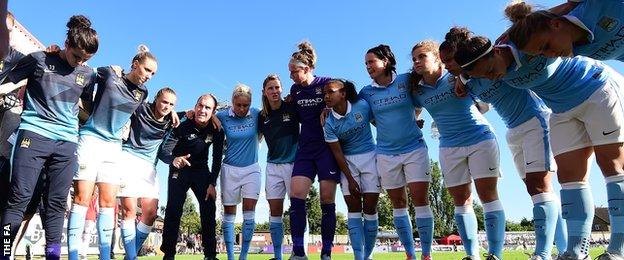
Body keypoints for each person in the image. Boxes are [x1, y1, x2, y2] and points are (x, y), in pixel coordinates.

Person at [454, 28, 624, 260]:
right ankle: (575, 251)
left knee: (613, 167)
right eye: (485, 76)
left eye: (491, 70)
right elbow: (469, 76)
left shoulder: (524, 42)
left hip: (595, 88)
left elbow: (550, 24)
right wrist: (461, 79)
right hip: (561, 109)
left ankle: (618, 249)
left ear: (495, 52)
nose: (493, 77)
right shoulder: (484, 75)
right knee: (569, 179)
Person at [443, 27, 567, 260]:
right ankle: (563, 250)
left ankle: (542, 254)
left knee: (539, 186)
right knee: (537, 189)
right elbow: (479, 102)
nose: (447, 65)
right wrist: (460, 78)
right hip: (512, 130)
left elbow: (511, 45)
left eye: (450, 60)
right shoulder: (471, 80)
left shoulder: (496, 62)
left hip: (535, 120)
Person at [0, 15, 98, 260]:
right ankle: (3, 253)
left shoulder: (86, 75)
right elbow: (6, 83)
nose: (80, 63)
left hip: (66, 144)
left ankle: (53, 256)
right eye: (77, 56)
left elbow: (86, 109)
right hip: (33, 136)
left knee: (56, 205)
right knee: (18, 198)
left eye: (86, 59)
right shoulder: (38, 60)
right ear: (66, 44)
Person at [410, 40, 504, 260]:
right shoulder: (417, 90)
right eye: (414, 58)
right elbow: (414, 112)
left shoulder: (457, 74)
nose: (416, 62)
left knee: (488, 195)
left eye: (422, 56)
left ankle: (495, 254)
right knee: (461, 201)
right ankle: (472, 256)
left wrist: (463, 79)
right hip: (449, 146)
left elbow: (484, 100)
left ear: (437, 57)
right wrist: (416, 122)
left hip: (480, 138)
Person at [67, 45, 155, 260]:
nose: (149, 76)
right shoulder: (109, 73)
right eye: (146, 70)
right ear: (135, 64)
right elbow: (85, 79)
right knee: (82, 199)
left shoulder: (142, 93)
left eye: (153, 73)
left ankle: (105, 256)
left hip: (114, 147)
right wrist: (87, 109)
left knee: (107, 203)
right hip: (91, 139)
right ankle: (72, 255)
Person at [359, 44, 432, 260]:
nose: (368, 66)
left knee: (421, 200)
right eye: (366, 64)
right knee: (398, 204)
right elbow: (369, 117)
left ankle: (426, 255)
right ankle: (410, 255)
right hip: (385, 153)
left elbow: (420, 100)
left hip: (414, 149)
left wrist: (414, 118)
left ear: (386, 61)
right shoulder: (366, 92)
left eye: (371, 62)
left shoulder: (406, 80)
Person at [287, 41, 340, 260]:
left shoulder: (327, 83)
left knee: (326, 200)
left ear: (307, 68)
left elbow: (346, 98)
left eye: (293, 71)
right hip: (305, 149)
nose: (290, 76)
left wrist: (330, 106)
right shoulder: (295, 90)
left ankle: (326, 252)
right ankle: (299, 253)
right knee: (296, 196)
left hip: (327, 148)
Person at [159, 93, 224, 260]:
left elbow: (217, 159)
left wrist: (212, 183)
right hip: (179, 169)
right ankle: (169, 253)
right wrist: (174, 159)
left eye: (208, 107)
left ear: (213, 112)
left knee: (209, 209)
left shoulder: (217, 129)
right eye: (200, 105)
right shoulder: (181, 123)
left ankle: (210, 255)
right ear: (195, 107)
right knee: (174, 209)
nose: (202, 110)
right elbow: (164, 152)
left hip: (201, 170)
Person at [117, 87, 178, 260]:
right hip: (128, 158)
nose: (166, 106)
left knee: (150, 213)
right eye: (164, 101)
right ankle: (132, 257)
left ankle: (130, 256)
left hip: (149, 167)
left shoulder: (170, 120)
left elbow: (188, 115)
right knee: (129, 211)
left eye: (171, 104)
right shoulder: (140, 108)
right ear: (156, 99)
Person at [323, 79, 380, 260]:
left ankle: (368, 255)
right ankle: (358, 256)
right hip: (347, 164)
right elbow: (338, 154)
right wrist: (351, 179)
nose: (327, 96)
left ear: (343, 93)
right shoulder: (328, 123)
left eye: (331, 92)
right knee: (354, 208)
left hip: (371, 156)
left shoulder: (362, 105)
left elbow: (380, 122)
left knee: (370, 208)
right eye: (325, 93)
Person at [215, 84, 261, 260]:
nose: (242, 109)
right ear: (232, 102)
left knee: (249, 212)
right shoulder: (222, 116)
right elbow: (204, 115)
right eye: (238, 105)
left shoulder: (256, 114)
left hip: (251, 168)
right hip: (229, 169)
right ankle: (230, 257)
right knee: (229, 214)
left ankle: (243, 256)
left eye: (246, 105)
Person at [258, 74, 299, 260]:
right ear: (264, 92)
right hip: (272, 166)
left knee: (298, 209)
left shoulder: (292, 106)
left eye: (277, 88)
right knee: (274, 211)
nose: (274, 91)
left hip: (294, 164)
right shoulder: (261, 116)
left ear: (282, 89)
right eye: (270, 88)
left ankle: (300, 252)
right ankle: (277, 256)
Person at [504, 0, 624, 61]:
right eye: (542, 54)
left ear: (556, 24)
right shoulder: (577, 50)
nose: (550, 55)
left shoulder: (592, 4)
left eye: (546, 46)